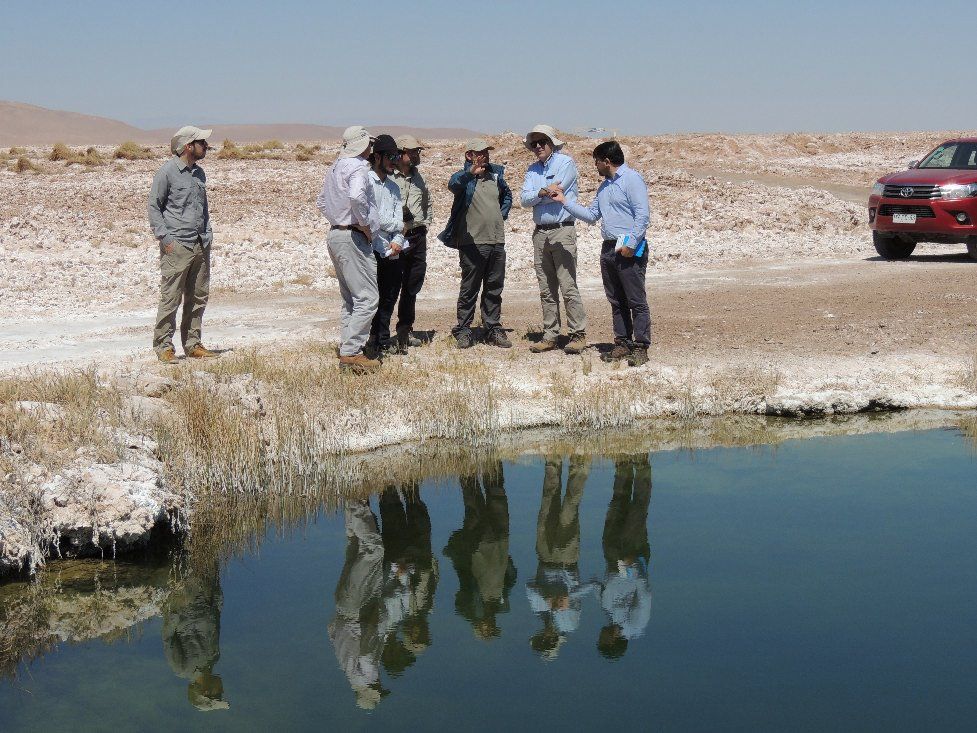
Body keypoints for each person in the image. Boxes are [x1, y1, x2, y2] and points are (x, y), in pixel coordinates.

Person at [552, 140, 652, 366]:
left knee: (636, 299)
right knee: (616, 299)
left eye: (596, 161)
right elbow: (590, 215)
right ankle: (622, 342)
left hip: (630, 246)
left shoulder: (632, 179)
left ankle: (641, 346)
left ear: (606, 161)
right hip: (609, 247)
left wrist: (633, 243)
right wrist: (564, 201)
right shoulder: (604, 187)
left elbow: (642, 215)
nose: (595, 166)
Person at [148, 125, 218, 364]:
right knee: (171, 297)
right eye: (202, 143)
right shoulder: (166, 172)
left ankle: (193, 343)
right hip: (177, 245)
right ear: (189, 146)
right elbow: (154, 207)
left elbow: (203, 208)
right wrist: (165, 239)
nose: (206, 147)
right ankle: (163, 346)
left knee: (198, 296)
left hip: (200, 242)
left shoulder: (199, 174)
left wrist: (208, 234)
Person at [316, 126, 383, 374]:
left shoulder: (334, 167)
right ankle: (352, 352)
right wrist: (363, 225)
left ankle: (348, 347)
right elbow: (357, 197)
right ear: (362, 145)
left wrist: (337, 218)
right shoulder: (357, 168)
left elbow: (321, 201)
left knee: (350, 299)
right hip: (353, 236)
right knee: (367, 297)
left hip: (336, 235)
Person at [438, 139, 513, 349]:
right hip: (472, 242)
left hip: (497, 240)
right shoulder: (464, 178)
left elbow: (507, 195)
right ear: (469, 155)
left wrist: (500, 215)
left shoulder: (496, 175)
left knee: (494, 287)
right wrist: (470, 172)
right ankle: (463, 329)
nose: (485, 157)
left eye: (486, 153)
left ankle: (492, 328)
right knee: (470, 288)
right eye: (480, 153)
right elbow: (453, 185)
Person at [519, 125, 587, 355]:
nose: (538, 146)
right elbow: (524, 199)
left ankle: (578, 334)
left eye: (542, 142)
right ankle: (551, 334)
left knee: (567, 285)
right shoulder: (531, 169)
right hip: (540, 233)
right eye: (534, 143)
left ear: (552, 143)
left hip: (562, 231)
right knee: (546, 288)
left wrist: (541, 194)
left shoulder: (565, 163)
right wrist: (542, 193)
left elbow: (559, 193)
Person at [526, 454, 597, 660]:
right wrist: (569, 597)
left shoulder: (539, 611)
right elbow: (590, 586)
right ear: (556, 640)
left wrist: (545, 597)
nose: (546, 637)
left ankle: (553, 460)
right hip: (567, 560)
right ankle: (581, 463)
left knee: (547, 502)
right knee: (569, 509)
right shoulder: (571, 624)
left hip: (545, 556)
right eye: (549, 642)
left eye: (542, 640)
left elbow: (528, 587)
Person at [443, 461, 517, 640]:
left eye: (484, 630)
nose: (487, 626)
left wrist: (474, 617)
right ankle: (491, 456)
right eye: (490, 629)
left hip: (479, 545)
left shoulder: (472, 605)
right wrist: (506, 558)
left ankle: (465, 459)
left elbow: (459, 602)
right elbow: (512, 575)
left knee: (473, 499)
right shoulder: (502, 602)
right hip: (500, 540)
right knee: (496, 492)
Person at [328, 500, 391, 710]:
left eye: (379, 688)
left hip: (358, 607)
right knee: (355, 547)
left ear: (372, 689)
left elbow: (367, 653)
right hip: (342, 605)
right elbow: (331, 634)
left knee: (374, 551)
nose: (381, 684)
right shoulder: (346, 670)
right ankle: (351, 502)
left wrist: (383, 623)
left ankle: (356, 502)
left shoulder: (367, 674)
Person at [378, 483, 439, 675]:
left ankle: (386, 480)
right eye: (422, 636)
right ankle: (409, 480)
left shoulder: (395, 618)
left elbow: (386, 591)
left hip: (397, 556)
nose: (418, 633)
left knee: (391, 512)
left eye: (415, 638)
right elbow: (433, 578)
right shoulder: (428, 608)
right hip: (419, 553)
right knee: (416, 509)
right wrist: (428, 562)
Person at [597, 454, 653, 660]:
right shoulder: (635, 624)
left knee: (616, 507)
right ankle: (642, 465)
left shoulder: (611, 618)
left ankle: (623, 465)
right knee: (637, 511)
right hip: (632, 557)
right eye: (602, 639)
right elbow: (645, 593)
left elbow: (600, 588)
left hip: (612, 560)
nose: (599, 635)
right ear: (612, 641)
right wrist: (633, 566)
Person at [161, 561, 229, 711]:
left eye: (218, 694)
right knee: (205, 556)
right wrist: (217, 594)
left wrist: (175, 611)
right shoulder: (214, 658)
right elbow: (216, 623)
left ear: (205, 691)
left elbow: (168, 639)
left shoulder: (181, 668)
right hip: (207, 593)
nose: (222, 690)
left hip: (185, 600)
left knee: (186, 560)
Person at [365, 134, 410, 358]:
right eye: (391, 156)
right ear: (378, 157)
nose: (395, 161)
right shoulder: (366, 181)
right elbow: (373, 218)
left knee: (390, 296)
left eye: (397, 156)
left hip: (392, 248)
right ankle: (368, 339)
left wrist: (398, 239)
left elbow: (397, 219)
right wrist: (397, 225)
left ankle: (382, 339)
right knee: (371, 297)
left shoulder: (393, 187)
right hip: (370, 247)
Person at [391, 135, 432, 353]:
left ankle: (404, 332)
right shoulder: (389, 177)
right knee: (390, 287)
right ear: (401, 153)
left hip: (417, 237)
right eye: (413, 151)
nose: (417, 155)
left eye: (418, 152)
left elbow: (428, 201)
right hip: (395, 238)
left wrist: (425, 224)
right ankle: (379, 335)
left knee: (412, 286)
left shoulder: (419, 178)